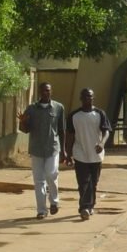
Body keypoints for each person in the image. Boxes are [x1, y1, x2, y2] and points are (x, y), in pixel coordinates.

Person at [18, 82, 67, 219]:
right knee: (39, 180)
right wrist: (23, 122)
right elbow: (25, 130)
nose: (46, 93)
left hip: (53, 148)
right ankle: (41, 210)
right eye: (44, 91)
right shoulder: (32, 109)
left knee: (51, 174)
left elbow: (62, 130)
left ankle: (54, 202)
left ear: (51, 91)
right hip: (36, 149)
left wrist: (64, 150)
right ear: (39, 92)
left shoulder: (58, 108)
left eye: (48, 90)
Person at [65, 88, 111, 221]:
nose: (87, 99)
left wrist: (102, 144)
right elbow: (70, 135)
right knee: (83, 182)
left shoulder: (100, 113)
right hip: (80, 153)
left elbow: (106, 131)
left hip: (96, 155)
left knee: (93, 182)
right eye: (85, 97)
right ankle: (84, 207)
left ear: (93, 98)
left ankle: (91, 205)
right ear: (81, 98)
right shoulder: (74, 116)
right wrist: (68, 154)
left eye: (90, 97)